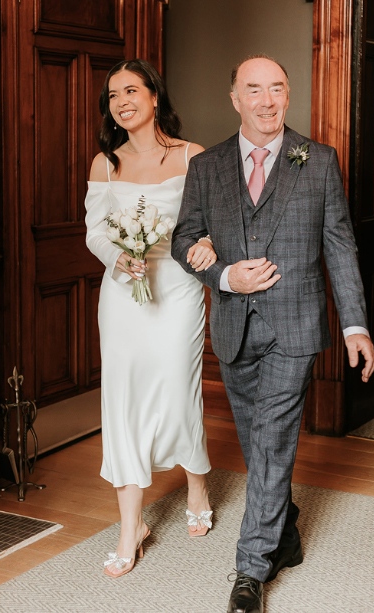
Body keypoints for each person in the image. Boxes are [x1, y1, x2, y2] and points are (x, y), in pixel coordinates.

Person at [171, 54, 374, 613]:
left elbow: (340, 246)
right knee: (257, 440)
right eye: (255, 89)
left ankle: (250, 568)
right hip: (233, 327)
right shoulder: (207, 167)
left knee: (274, 436)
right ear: (235, 99)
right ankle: (283, 530)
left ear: (288, 95)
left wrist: (355, 325)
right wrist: (222, 275)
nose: (267, 101)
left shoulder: (319, 160)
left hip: (296, 325)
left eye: (277, 88)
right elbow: (185, 238)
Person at [83, 59, 217, 578]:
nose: (122, 102)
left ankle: (197, 483)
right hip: (122, 296)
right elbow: (95, 231)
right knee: (123, 399)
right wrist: (117, 258)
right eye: (113, 95)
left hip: (177, 290)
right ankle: (130, 526)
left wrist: (208, 242)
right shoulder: (105, 163)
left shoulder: (191, 155)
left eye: (131, 90)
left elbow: (213, 222)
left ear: (154, 96)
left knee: (178, 390)